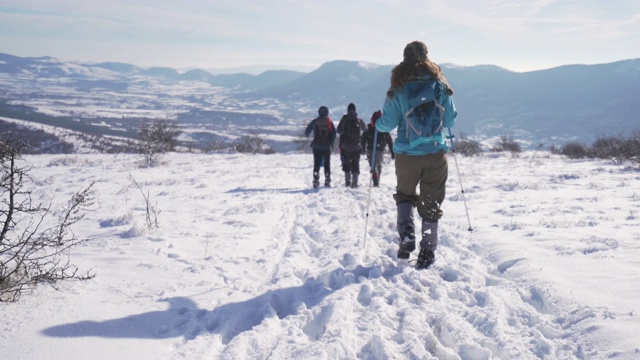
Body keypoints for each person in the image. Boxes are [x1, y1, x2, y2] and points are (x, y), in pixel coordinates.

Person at [375, 41, 457, 269]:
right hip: (435, 153)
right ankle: (428, 250)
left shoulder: (398, 87)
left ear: (404, 59)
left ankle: (406, 235)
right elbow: (449, 120)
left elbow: (387, 124)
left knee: (405, 195)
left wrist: (378, 123)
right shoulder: (440, 86)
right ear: (426, 56)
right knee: (431, 203)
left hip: (406, 154)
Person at [304, 106, 336, 188]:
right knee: (327, 164)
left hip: (317, 146)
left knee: (316, 164)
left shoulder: (315, 121)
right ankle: (327, 180)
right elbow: (334, 134)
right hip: (326, 147)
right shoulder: (329, 122)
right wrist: (331, 143)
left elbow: (307, 132)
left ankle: (316, 180)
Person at [337, 103, 367, 188]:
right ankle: (355, 181)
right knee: (355, 164)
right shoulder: (358, 120)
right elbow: (365, 129)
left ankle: (347, 181)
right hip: (357, 146)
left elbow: (338, 131)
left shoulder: (344, 120)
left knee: (347, 163)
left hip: (346, 146)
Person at [361, 110, 394, 187]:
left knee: (373, 164)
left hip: (370, 149)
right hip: (380, 149)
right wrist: (392, 151)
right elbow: (389, 140)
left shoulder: (369, 127)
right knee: (378, 165)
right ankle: (376, 178)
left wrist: (363, 148)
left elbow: (363, 139)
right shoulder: (384, 129)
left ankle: (375, 178)